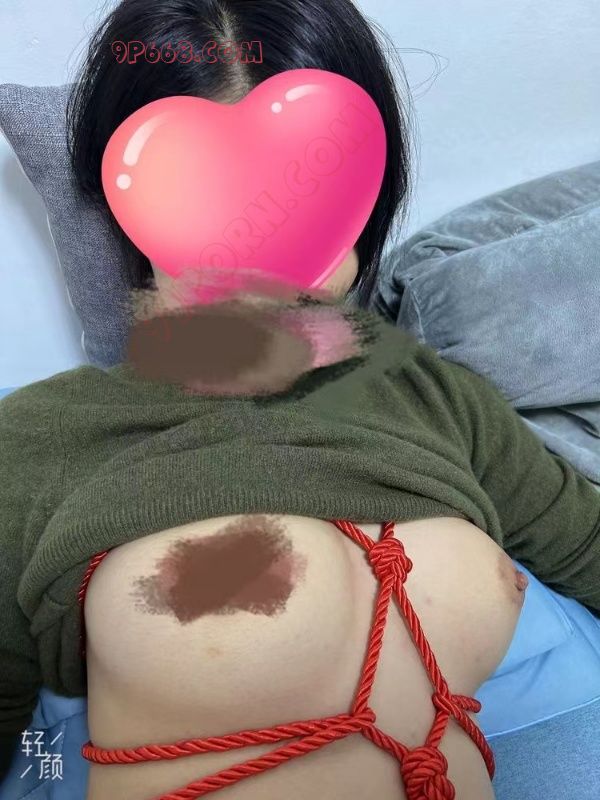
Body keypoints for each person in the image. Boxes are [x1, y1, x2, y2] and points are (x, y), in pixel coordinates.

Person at [1, 2, 599, 799]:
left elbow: (587, 547)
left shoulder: (435, 394)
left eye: (310, 183)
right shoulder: (34, 440)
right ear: (122, 203)